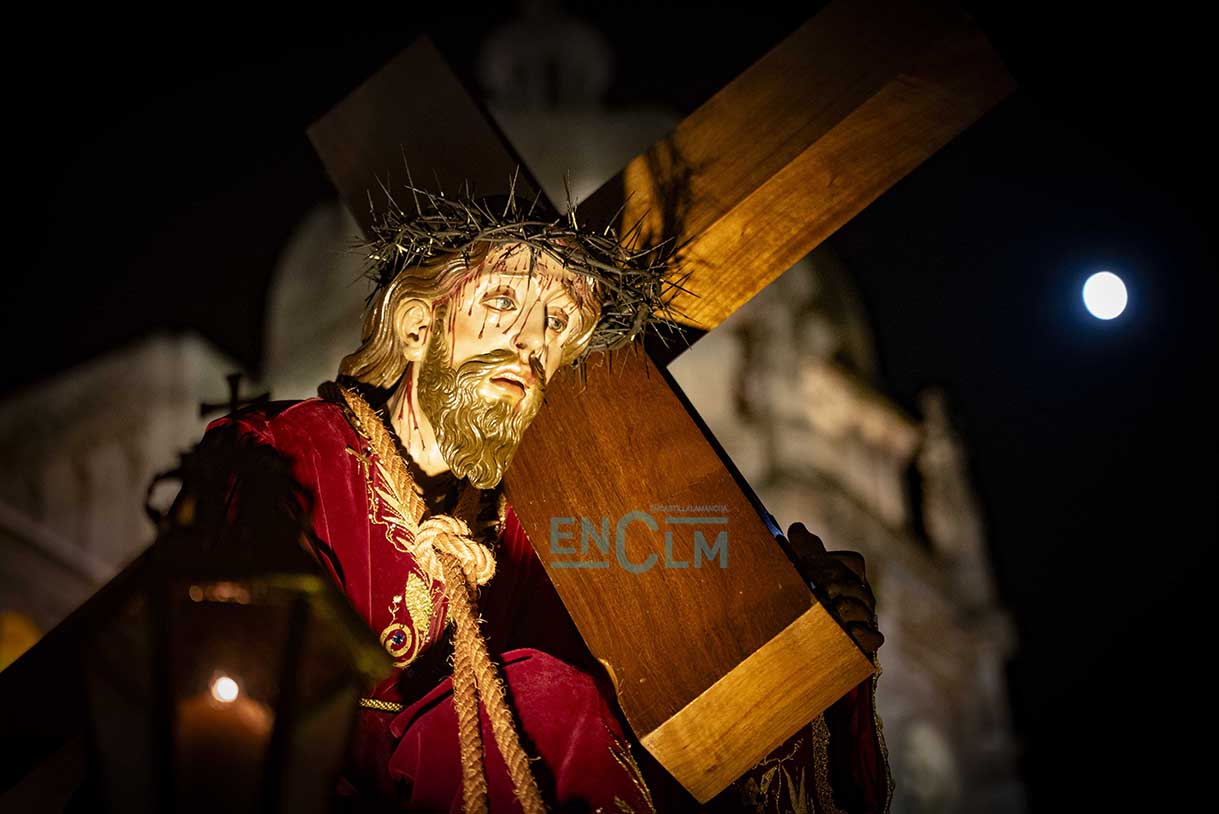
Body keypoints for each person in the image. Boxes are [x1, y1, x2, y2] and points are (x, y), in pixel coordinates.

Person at [193, 193, 891, 812]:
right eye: (502, 302)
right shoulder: (287, 456)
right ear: (416, 326)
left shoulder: (548, 528)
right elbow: (226, 691)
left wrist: (809, 652)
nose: (531, 342)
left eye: (558, 322)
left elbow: (661, 708)